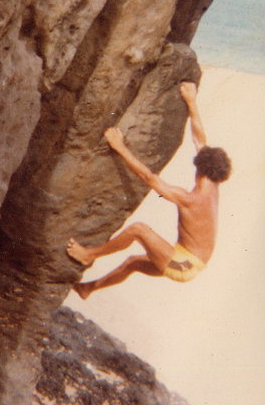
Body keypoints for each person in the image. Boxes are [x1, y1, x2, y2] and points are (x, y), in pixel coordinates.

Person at [66, 81, 231, 299]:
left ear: (201, 169)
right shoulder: (213, 182)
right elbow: (200, 139)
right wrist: (191, 101)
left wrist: (120, 147)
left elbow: (149, 178)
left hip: (184, 264)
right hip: (192, 262)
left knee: (139, 230)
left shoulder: (192, 198)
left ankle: (89, 254)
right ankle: (87, 289)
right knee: (133, 262)